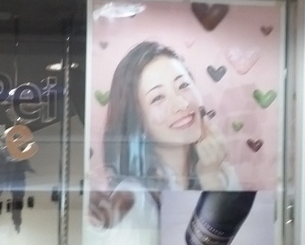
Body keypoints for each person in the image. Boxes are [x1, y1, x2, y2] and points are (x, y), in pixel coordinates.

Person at [101, 41, 237, 193]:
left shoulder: (224, 173)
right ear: (137, 120)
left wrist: (211, 176)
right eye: (158, 97)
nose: (181, 104)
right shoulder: (133, 193)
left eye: (183, 85)